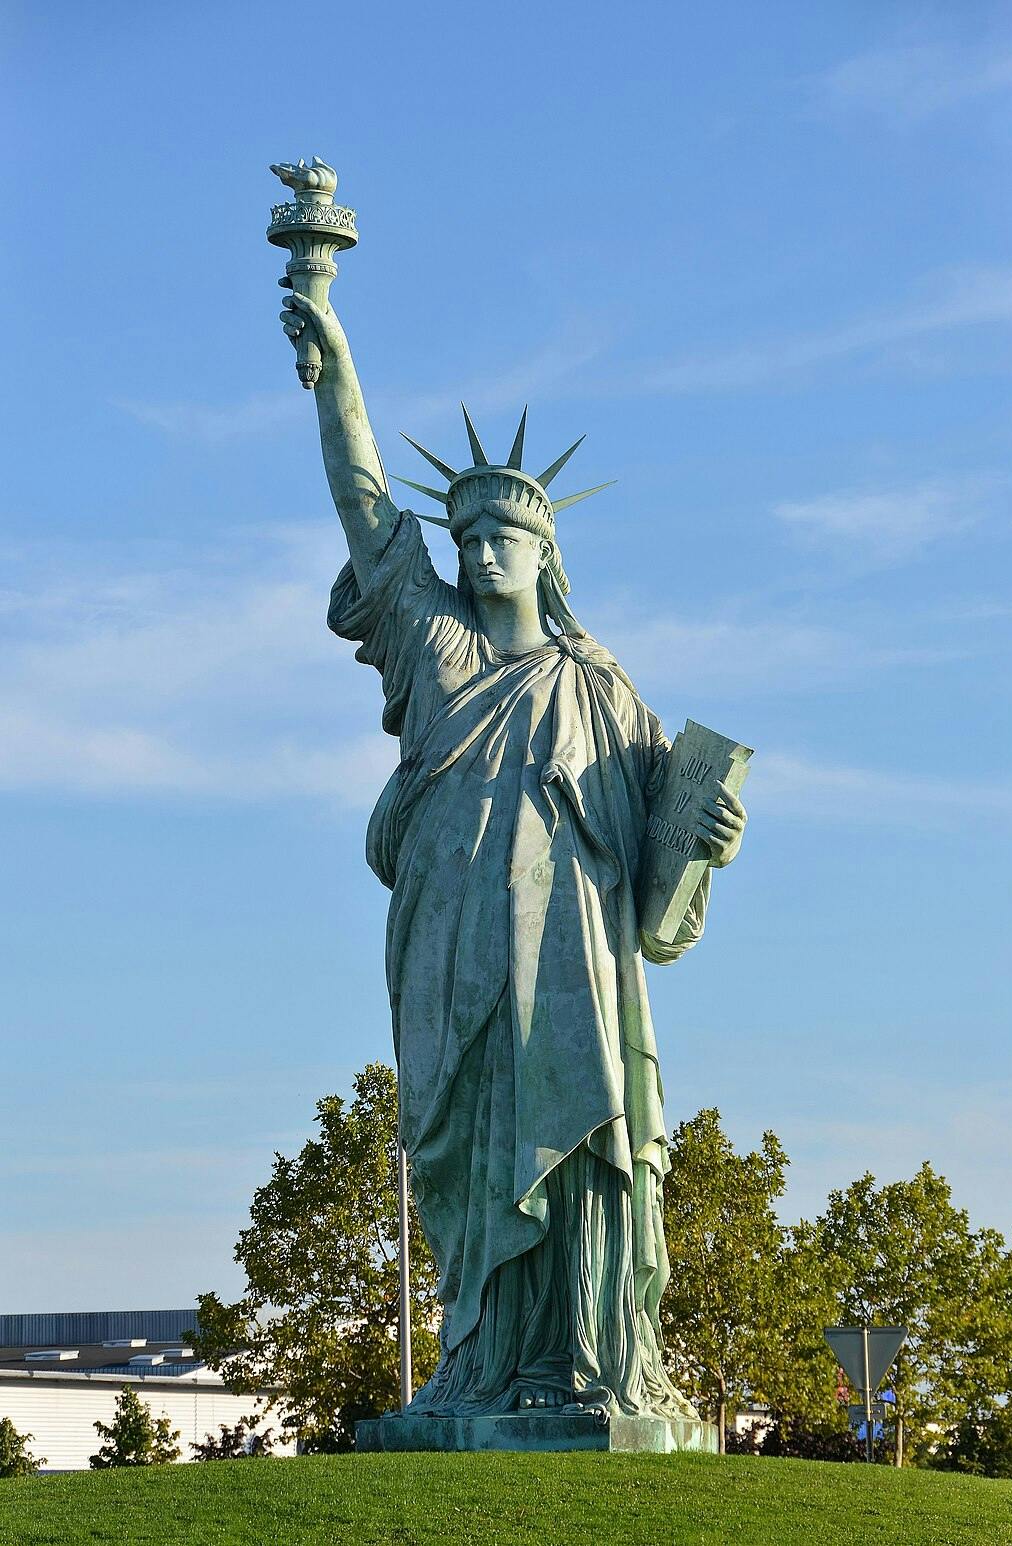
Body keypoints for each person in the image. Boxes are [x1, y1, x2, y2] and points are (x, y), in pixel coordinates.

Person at [280, 286, 746, 1419]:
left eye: (507, 536)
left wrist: (708, 844)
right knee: (470, 1153)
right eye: (469, 535)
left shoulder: (600, 686)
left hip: (576, 960)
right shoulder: (429, 639)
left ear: (547, 553)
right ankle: (479, 1365)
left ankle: (587, 1365)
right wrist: (336, 347)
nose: (483, 551)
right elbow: (361, 499)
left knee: (578, 1145)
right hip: (450, 946)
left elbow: (656, 876)